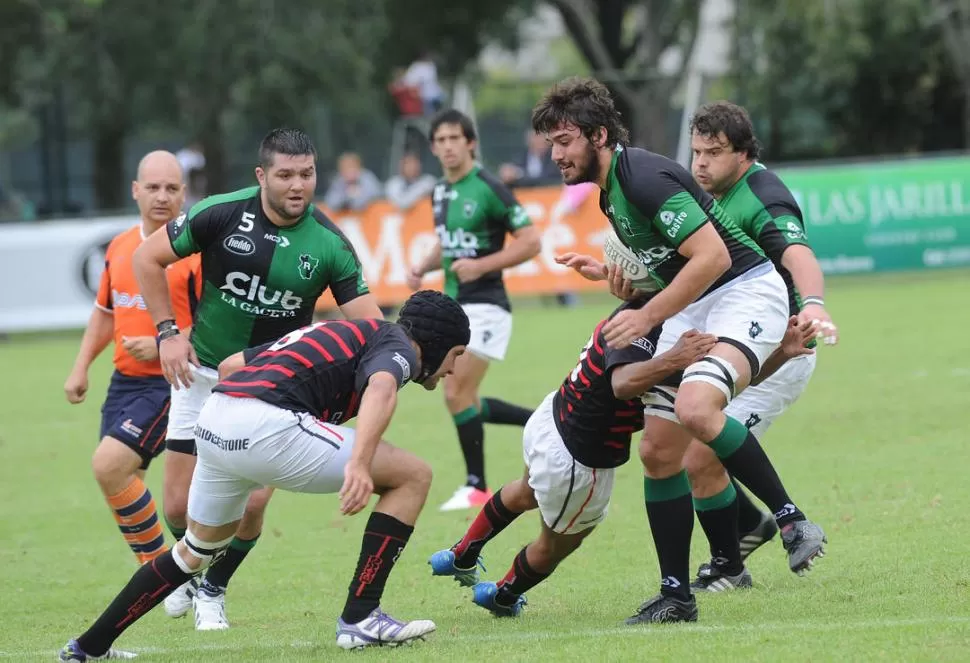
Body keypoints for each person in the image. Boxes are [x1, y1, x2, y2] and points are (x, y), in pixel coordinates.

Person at [534, 76, 816, 624]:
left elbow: (710, 258)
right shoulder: (610, 191)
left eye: (565, 140)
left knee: (694, 410)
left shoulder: (639, 175)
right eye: (551, 142)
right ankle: (676, 596)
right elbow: (675, 266)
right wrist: (628, 288)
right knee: (660, 453)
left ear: (597, 135)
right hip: (696, 303)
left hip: (744, 291)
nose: (555, 154)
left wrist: (646, 314)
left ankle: (791, 519)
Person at [58, 290, 471, 660]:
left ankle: (86, 648)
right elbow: (381, 388)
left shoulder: (350, 333)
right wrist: (359, 464)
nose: (452, 369)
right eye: (455, 354)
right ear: (434, 344)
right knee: (414, 475)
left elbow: (232, 364)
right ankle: (361, 618)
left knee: (194, 550)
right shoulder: (399, 346)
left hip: (216, 420)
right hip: (265, 423)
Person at [132, 128, 383, 631]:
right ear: (262, 175)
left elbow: (371, 328)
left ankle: (213, 588)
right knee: (180, 507)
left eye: (307, 174)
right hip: (198, 375)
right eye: (286, 175)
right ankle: (193, 564)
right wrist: (166, 334)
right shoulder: (221, 213)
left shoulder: (330, 244)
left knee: (251, 504)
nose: (298, 185)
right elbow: (147, 258)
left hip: (273, 392)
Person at [428, 296, 818, 617]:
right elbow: (623, 383)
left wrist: (781, 353)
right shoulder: (647, 325)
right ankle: (504, 594)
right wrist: (676, 358)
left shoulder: (651, 310)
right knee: (555, 543)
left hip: (553, 416)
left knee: (527, 488)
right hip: (579, 458)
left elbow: (721, 387)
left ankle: (464, 551)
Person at [681, 101, 837, 591]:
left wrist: (812, 303)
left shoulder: (764, 197)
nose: (701, 163)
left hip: (783, 348)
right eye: (696, 152)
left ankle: (733, 563)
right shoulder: (709, 193)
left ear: (744, 154)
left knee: (699, 458)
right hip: (737, 341)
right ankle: (748, 529)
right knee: (688, 448)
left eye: (714, 153)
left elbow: (798, 254)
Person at [64, 151, 201, 567]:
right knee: (125, 483)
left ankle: (163, 571)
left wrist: (167, 340)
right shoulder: (120, 247)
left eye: (172, 188)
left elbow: (216, 324)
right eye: (154, 187)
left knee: (109, 465)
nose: (162, 196)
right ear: (135, 191)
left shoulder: (195, 253)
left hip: (171, 383)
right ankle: (167, 579)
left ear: (183, 194)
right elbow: (106, 312)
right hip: (123, 381)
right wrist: (81, 366)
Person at [407, 109, 542, 512]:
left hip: (487, 306)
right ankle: (542, 422)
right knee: (462, 397)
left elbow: (532, 242)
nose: (448, 146)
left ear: (470, 143)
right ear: (434, 147)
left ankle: (476, 485)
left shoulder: (489, 187)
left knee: (455, 390)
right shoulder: (440, 191)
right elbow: (448, 245)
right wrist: (423, 266)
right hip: (455, 306)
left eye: (455, 138)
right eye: (441, 140)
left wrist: (482, 265)